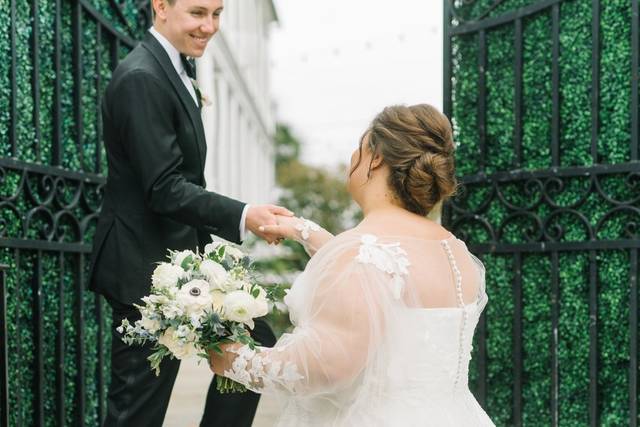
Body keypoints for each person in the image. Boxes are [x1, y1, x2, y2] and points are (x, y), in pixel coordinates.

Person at [210, 104, 496, 426]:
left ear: (375, 158)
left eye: (358, 148)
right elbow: (378, 282)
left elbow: (325, 368)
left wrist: (235, 358)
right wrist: (305, 232)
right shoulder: (455, 251)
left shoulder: (360, 254)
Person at [88, 0, 290, 425]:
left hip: (179, 263)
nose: (210, 26)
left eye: (217, 14)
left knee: (251, 348)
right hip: (142, 269)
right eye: (198, 13)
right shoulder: (142, 77)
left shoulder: (176, 65)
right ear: (160, 6)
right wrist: (245, 214)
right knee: (137, 411)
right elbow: (164, 188)